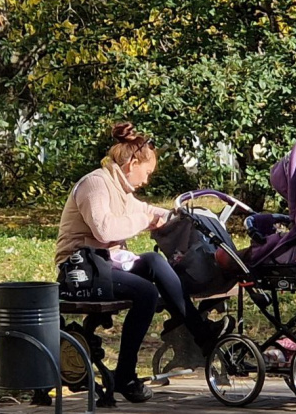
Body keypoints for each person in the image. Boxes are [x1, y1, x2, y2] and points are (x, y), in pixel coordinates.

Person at [55, 122, 232, 403]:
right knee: (146, 292)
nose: (147, 180)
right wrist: (146, 220)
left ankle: (202, 335)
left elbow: (147, 211)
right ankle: (125, 374)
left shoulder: (120, 188)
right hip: (80, 270)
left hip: (104, 266)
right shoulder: (95, 184)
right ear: (133, 163)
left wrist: (184, 218)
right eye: (147, 172)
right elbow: (105, 230)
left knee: (153, 261)